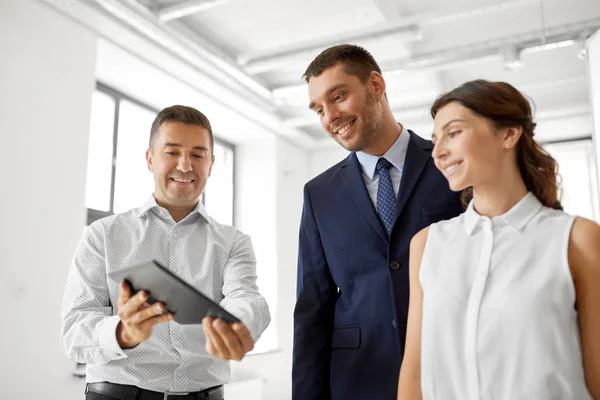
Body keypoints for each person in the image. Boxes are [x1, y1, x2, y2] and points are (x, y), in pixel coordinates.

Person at [397, 80, 600, 400]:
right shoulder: (427, 245)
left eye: (453, 133)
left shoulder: (577, 239)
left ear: (508, 134)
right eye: (435, 140)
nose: (437, 152)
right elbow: (413, 374)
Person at [61, 105, 271, 400]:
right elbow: (73, 332)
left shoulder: (233, 242)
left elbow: (245, 296)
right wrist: (123, 332)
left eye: (198, 155)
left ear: (210, 164)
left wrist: (239, 325)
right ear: (150, 159)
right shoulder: (103, 235)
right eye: (172, 152)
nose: (185, 165)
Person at [292, 44, 462, 400]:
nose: (329, 117)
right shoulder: (318, 194)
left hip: (448, 373)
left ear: (376, 86)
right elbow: (312, 310)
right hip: (357, 381)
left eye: (338, 97)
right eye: (318, 109)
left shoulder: (450, 165)